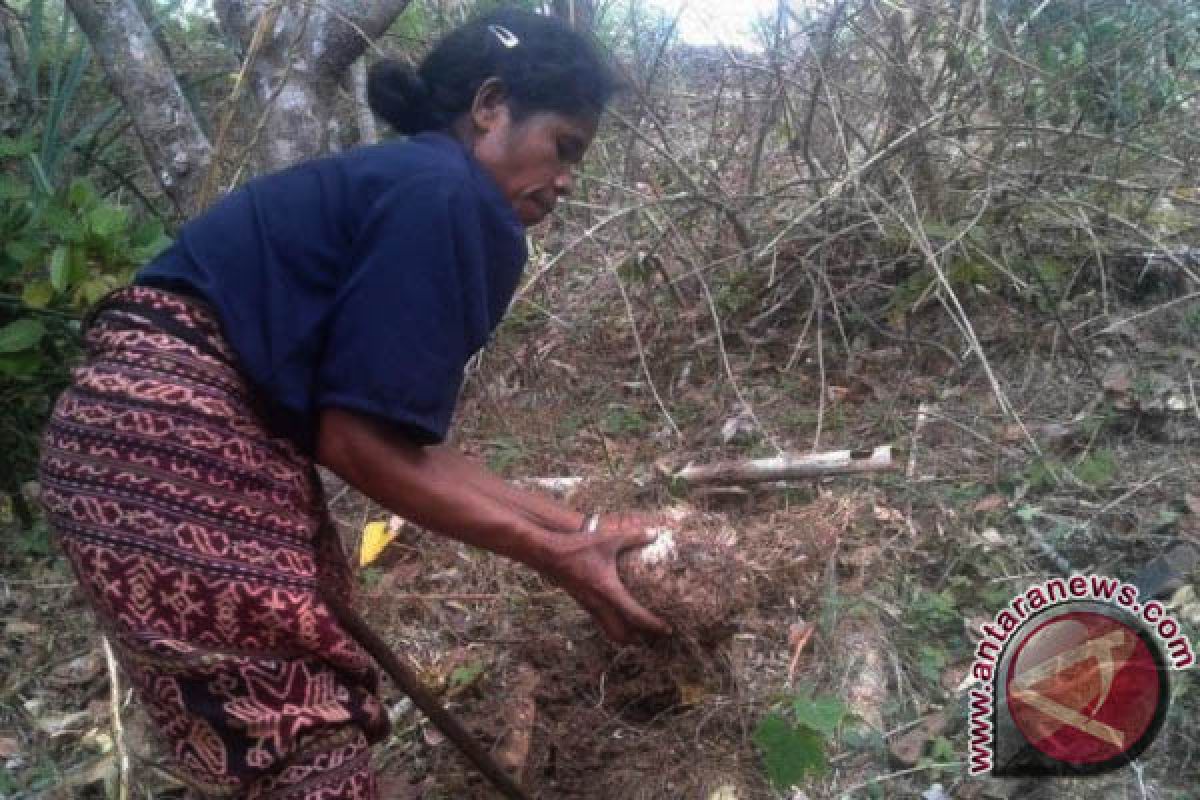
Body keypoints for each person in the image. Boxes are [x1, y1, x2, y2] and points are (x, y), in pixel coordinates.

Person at [38, 8, 669, 798]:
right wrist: (551, 553)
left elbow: (407, 449)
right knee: (295, 730)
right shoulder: (447, 195)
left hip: (132, 434)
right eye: (563, 147)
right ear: (489, 105)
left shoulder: (408, 182)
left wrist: (579, 533)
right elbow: (356, 446)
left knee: (300, 700)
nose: (568, 179)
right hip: (175, 433)